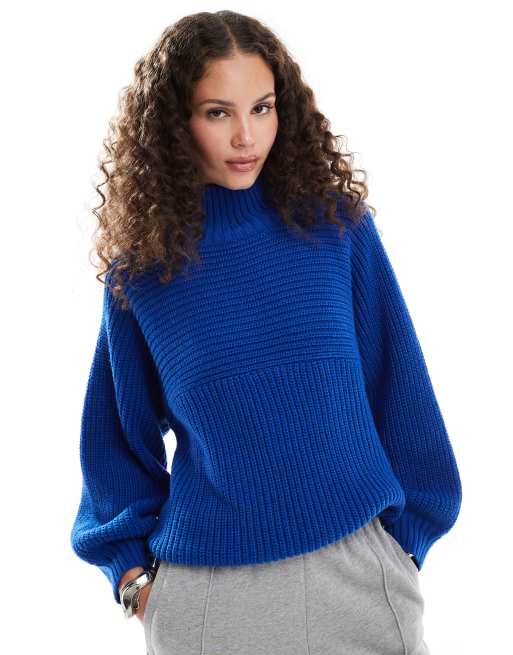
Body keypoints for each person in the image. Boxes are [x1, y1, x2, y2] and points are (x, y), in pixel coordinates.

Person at [70, 10, 462, 655]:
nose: (246, 136)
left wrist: (405, 547)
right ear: (175, 123)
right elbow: (114, 440)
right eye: (217, 113)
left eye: (262, 107)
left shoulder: (336, 230)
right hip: (212, 598)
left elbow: (401, 391)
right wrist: (133, 579)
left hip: (360, 577)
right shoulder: (145, 275)